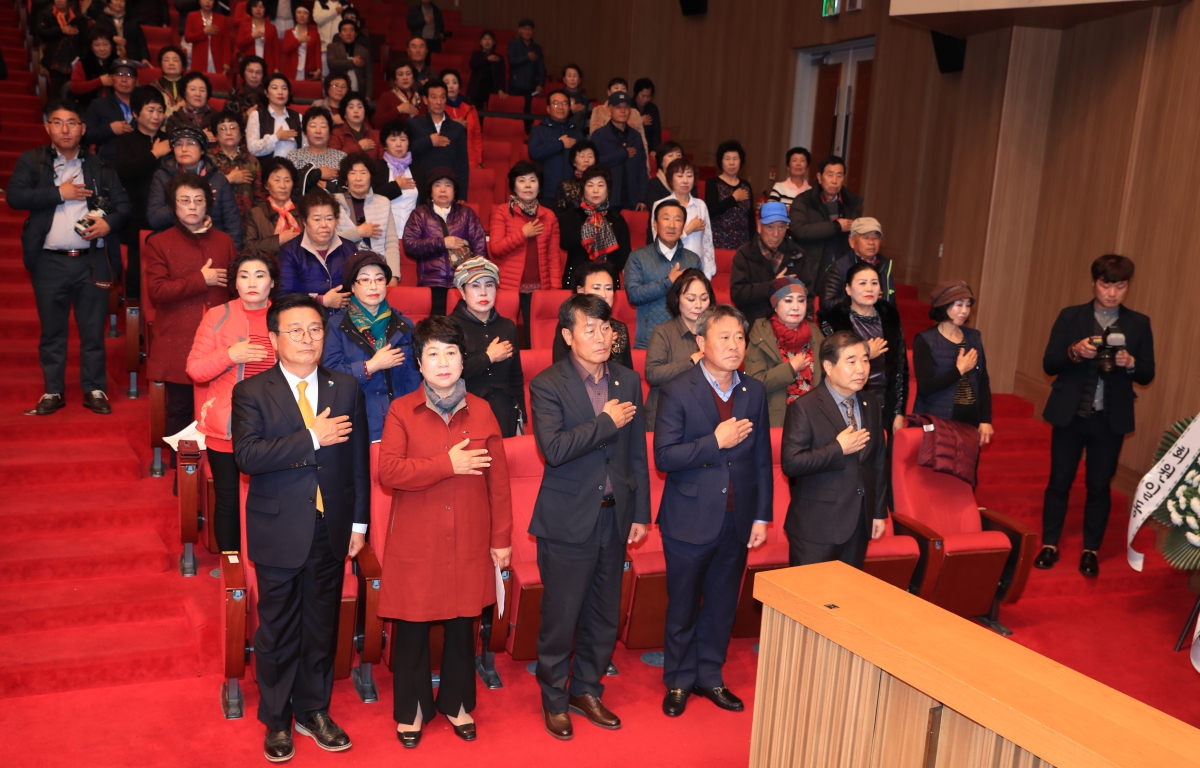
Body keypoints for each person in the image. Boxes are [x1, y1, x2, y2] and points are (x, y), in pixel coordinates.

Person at [231, 292, 369, 763]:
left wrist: (359, 523)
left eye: (314, 329)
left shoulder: (345, 386)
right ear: (273, 339)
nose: (307, 338)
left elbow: (357, 463)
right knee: (278, 630)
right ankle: (276, 720)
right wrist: (311, 437)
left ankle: (314, 711)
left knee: (320, 628)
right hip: (278, 531)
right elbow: (247, 456)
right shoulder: (251, 392)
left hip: (330, 531)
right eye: (296, 330)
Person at [377, 314, 512, 747]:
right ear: (418, 362)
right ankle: (411, 709)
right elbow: (389, 472)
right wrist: (446, 465)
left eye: (450, 352)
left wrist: (502, 539)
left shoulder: (485, 410)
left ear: (462, 358)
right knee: (412, 628)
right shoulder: (401, 410)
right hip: (417, 540)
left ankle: (456, 703)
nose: (442, 362)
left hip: (471, 537)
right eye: (432, 353)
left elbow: (500, 483)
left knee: (462, 626)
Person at [529, 293, 650, 741]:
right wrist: (605, 421)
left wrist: (641, 512)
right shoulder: (547, 384)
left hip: (615, 517)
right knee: (562, 616)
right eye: (590, 329)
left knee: (604, 615)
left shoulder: (627, 381)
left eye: (607, 328)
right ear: (567, 335)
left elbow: (636, 452)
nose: (602, 337)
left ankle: (586, 690)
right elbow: (554, 449)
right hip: (566, 521)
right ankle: (554, 698)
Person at [653, 303, 770, 718]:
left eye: (740, 337)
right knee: (683, 605)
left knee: (722, 604)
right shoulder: (678, 389)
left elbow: (760, 458)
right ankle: (679, 681)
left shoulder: (752, 391)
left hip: (737, 518)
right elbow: (664, 456)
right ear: (701, 343)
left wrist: (761, 516)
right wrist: (714, 442)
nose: (735, 345)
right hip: (688, 519)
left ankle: (710, 676)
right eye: (724, 337)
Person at [8, 98, 131, 416]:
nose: (65, 129)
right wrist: (58, 194)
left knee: (93, 330)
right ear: (48, 127)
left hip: (91, 260)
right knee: (52, 330)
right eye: (58, 122)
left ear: (83, 128)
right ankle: (53, 391)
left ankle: (94, 388)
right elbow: (15, 196)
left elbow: (123, 206)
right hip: (49, 261)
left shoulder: (100, 166)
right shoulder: (33, 160)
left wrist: (107, 224)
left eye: (72, 122)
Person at [1035, 255, 1155, 578]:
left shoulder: (1138, 323)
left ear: (1127, 286)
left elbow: (1147, 373)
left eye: (1120, 285)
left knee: (1099, 486)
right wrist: (1075, 352)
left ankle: (1091, 550)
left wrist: (1130, 361)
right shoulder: (1071, 316)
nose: (1112, 293)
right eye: (1106, 284)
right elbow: (1049, 363)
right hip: (1070, 414)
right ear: (1094, 283)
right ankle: (1049, 544)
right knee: (1059, 482)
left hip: (1109, 418)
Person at [187, 251, 279, 551]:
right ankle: (233, 571)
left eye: (260, 275)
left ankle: (266, 567)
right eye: (244, 275)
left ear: (272, 283)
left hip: (275, 426)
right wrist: (229, 355)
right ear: (235, 284)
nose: (252, 282)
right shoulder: (217, 315)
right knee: (227, 501)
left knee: (270, 500)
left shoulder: (286, 317)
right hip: (227, 425)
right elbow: (195, 369)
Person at [144, 173, 237, 459]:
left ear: (208, 204)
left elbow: (235, 288)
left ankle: (216, 467)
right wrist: (201, 279)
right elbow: (157, 291)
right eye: (185, 201)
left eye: (199, 200)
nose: (192, 206)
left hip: (220, 339)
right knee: (182, 408)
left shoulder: (224, 241)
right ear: (174, 206)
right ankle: (182, 471)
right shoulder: (159, 242)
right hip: (178, 337)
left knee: (222, 405)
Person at [781, 330, 888, 567]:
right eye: (851, 361)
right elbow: (791, 463)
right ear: (828, 366)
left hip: (859, 523)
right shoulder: (804, 408)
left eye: (865, 360)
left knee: (845, 601)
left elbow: (878, 462)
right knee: (809, 601)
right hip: (816, 528)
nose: (861, 368)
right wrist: (837, 449)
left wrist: (879, 511)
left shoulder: (871, 404)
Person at [322, 249, 421, 439]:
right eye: (365, 280)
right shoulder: (336, 326)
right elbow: (329, 376)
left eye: (379, 279)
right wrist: (370, 366)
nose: (373, 286)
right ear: (352, 285)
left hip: (399, 418)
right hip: (355, 420)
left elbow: (414, 379)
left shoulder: (404, 325)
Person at [818, 262, 907, 435]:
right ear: (848, 289)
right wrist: (866, 354)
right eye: (862, 283)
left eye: (874, 283)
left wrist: (898, 412)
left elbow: (901, 368)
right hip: (845, 403)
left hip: (883, 405)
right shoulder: (833, 319)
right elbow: (831, 366)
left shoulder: (890, 315)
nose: (869, 288)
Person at [449, 258, 526, 437]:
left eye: (489, 285)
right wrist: (488, 357)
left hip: (504, 411)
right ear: (462, 291)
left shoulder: (507, 326)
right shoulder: (450, 326)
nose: (483, 293)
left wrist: (520, 418)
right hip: (464, 412)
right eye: (475, 286)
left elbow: (516, 377)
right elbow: (450, 374)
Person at [912, 280, 993, 445]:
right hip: (937, 418)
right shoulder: (925, 340)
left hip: (970, 417)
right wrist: (958, 370)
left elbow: (983, 380)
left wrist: (985, 420)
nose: (964, 311)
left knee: (968, 469)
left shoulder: (973, 337)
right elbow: (926, 387)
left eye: (968, 305)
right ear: (943, 305)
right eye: (959, 304)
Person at [488, 161, 561, 340]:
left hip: (539, 288)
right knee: (504, 338)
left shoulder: (549, 216)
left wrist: (555, 291)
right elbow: (495, 249)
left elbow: (553, 257)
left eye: (532, 180)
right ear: (514, 185)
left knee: (536, 337)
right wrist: (523, 234)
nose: (527, 185)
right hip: (508, 286)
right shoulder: (502, 212)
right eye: (522, 180)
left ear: (539, 185)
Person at [402, 167, 486, 316]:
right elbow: (410, 245)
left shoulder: (466, 213)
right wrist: (442, 243)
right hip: (431, 283)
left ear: (454, 191)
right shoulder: (420, 214)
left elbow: (479, 245)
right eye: (437, 185)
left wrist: (475, 278)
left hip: (462, 284)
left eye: (448, 185)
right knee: (436, 333)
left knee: (463, 330)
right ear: (430, 191)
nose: (442, 189)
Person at [147, 125, 243, 249]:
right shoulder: (162, 176)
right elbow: (154, 219)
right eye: (178, 144)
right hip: (173, 246)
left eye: (191, 143)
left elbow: (233, 224)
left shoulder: (218, 180)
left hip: (211, 245)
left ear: (202, 150)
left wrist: (231, 257)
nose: (184, 148)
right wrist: (180, 203)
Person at [744, 278, 824, 428]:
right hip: (776, 420)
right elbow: (754, 384)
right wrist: (790, 369)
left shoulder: (815, 333)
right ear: (775, 305)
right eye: (788, 301)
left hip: (813, 420)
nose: (796, 307)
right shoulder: (762, 334)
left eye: (801, 301)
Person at [115, 86, 170, 298]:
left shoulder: (169, 139)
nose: (156, 116)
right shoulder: (127, 140)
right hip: (137, 216)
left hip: (167, 216)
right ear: (136, 113)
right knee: (138, 272)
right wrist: (154, 154)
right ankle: (135, 323)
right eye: (150, 110)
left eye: (160, 110)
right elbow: (123, 171)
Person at [625, 199, 701, 349]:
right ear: (655, 224)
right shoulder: (637, 257)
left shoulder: (693, 259)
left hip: (686, 341)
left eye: (677, 220)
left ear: (683, 226)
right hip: (649, 342)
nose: (672, 225)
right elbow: (633, 295)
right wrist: (669, 281)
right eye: (666, 218)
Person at [644, 269, 714, 431]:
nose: (698, 305)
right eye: (691, 298)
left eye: (704, 298)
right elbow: (653, 374)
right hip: (666, 417)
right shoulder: (663, 332)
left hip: (704, 415)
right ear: (677, 299)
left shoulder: (714, 334)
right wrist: (691, 362)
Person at [729, 202, 812, 322]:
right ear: (759, 226)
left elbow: (807, 294)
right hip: (754, 326)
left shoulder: (797, 254)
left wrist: (806, 323)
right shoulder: (744, 254)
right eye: (770, 227)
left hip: (789, 326)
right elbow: (737, 293)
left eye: (782, 227)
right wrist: (773, 286)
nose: (776, 234)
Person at [278, 187, 357, 306]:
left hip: (345, 318)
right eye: (317, 219)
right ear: (305, 222)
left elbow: (360, 287)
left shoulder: (349, 248)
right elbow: (283, 297)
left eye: (329, 218)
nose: (324, 224)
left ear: (336, 220)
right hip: (305, 319)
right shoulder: (290, 251)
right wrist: (321, 301)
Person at [557, 165, 631, 290]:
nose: (595, 190)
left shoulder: (617, 219)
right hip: (577, 281)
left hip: (608, 284)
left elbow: (624, 258)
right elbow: (565, 242)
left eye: (600, 185)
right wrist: (590, 230)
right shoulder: (571, 215)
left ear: (608, 191)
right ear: (583, 190)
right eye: (590, 185)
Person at [789, 155, 863, 278]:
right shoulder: (803, 201)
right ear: (819, 177)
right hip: (811, 267)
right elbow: (799, 231)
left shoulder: (851, 203)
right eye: (830, 175)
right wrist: (836, 226)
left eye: (839, 175)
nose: (834, 180)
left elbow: (856, 236)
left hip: (841, 267)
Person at [552, 263, 633, 371]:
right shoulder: (570, 325)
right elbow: (561, 369)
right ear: (580, 291)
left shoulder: (620, 328)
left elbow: (627, 373)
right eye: (596, 288)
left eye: (609, 288)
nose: (603, 294)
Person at [336, 152, 400, 281]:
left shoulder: (383, 202)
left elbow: (391, 242)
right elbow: (327, 239)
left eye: (363, 173)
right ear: (346, 178)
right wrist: (358, 232)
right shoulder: (333, 203)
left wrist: (393, 276)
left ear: (371, 176)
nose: (358, 178)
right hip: (341, 272)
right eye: (353, 173)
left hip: (376, 271)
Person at [652, 157, 715, 278]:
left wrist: (708, 273)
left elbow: (707, 242)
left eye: (689, 176)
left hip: (698, 270)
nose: (685, 180)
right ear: (670, 179)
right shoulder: (660, 206)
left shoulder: (700, 205)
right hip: (670, 271)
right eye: (680, 176)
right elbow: (659, 243)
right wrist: (688, 230)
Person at [409, 80, 470, 198]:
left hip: (447, 190)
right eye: (434, 97)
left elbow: (463, 164)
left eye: (442, 97)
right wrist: (429, 141)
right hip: (420, 189)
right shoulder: (414, 125)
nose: (439, 102)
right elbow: (407, 152)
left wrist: (462, 195)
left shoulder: (457, 128)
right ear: (425, 100)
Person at [818, 217, 895, 309]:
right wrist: (856, 300)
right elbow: (827, 304)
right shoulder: (838, 268)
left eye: (875, 237)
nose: (871, 242)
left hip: (878, 321)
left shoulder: (885, 265)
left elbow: (892, 305)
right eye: (865, 237)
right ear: (852, 241)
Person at [529, 90, 585, 208]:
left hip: (573, 194)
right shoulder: (538, 130)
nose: (560, 107)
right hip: (547, 193)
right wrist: (560, 144)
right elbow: (534, 153)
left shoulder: (576, 132)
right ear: (548, 109)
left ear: (569, 108)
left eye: (564, 104)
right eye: (556, 104)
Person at [593, 92, 647, 212]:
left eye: (626, 107)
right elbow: (594, 164)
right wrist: (621, 154)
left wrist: (642, 197)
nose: (623, 111)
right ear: (609, 110)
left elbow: (642, 168)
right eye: (618, 107)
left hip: (631, 200)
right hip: (606, 199)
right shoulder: (599, 135)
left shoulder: (636, 136)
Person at [208, 109, 264, 217]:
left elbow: (260, 197)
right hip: (216, 218)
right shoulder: (208, 159)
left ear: (241, 134)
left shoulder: (252, 161)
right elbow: (202, 190)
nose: (228, 132)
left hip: (247, 220)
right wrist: (229, 179)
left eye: (233, 127)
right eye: (223, 128)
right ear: (215, 135)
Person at [82, 57, 137, 164]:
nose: (124, 79)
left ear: (136, 81)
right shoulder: (98, 104)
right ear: (111, 78)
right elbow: (85, 135)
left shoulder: (144, 104)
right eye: (119, 74)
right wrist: (109, 129)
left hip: (139, 161)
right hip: (107, 164)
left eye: (129, 75)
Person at [376, 120, 422, 243]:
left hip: (412, 238)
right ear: (385, 144)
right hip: (383, 236)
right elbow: (371, 198)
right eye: (393, 139)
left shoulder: (418, 171)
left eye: (403, 139)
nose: (398, 144)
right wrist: (396, 186)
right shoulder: (376, 169)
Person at [245, 157, 303, 254]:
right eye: (277, 180)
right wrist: (279, 240)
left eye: (287, 180)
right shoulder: (255, 214)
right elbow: (248, 247)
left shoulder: (303, 212)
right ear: (266, 185)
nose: (283, 186)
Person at [706, 140, 755, 251]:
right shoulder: (713, 183)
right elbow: (711, 210)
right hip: (719, 243)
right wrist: (734, 198)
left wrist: (753, 243)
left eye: (735, 158)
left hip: (743, 244)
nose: (732, 163)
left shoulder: (746, 186)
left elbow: (750, 217)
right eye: (727, 159)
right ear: (721, 161)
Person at [589, 78, 650, 162]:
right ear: (608, 92)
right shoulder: (599, 112)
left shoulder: (634, 114)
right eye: (616, 88)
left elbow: (643, 142)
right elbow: (595, 132)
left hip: (631, 159)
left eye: (623, 88)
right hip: (608, 153)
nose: (623, 111)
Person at [287, 107, 347, 189]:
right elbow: (290, 184)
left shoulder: (342, 158)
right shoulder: (294, 156)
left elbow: (347, 187)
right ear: (305, 131)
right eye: (313, 126)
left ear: (330, 132)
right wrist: (319, 174)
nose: (318, 131)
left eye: (323, 126)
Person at [247, 74, 305, 159]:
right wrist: (276, 137)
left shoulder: (298, 117)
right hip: (267, 169)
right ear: (266, 93)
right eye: (275, 88)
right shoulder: (256, 116)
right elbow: (252, 148)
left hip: (293, 169)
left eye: (284, 88)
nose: (280, 92)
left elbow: (306, 147)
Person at [37, 0, 84, 101]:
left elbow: (84, 38)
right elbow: (41, 32)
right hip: (54, 57)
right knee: (56, 90)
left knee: (73, 90)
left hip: (73, 57)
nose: (59, 1)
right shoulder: (46, 14)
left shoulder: (78, 17)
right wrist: (61, 30)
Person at [440, 70, 482, 170]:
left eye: (454, 82)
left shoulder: (470, 107)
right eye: (447, 83)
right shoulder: (437, 107)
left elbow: (477, 136)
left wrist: (479, 161)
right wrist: (452, 125)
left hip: (470, 160)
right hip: (446, 161)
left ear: (459, 87)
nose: (451, 86)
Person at [69, 27, 116, 108]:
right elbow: (75, 87)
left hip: (115, 107)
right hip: (88, 107)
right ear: (91, 46)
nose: (102, 49)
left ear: (111, 45)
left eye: (106, 44)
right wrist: (99, 81)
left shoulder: (119, 62)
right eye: (97, 45)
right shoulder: (83, 63)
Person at [373, 61, 424, 130]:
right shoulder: (387, 96)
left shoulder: (419, 98)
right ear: (395, 80)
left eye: (408, 74)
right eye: (400, 74)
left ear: (413, 78)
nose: (405, 77)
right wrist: (399, 109)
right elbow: (377, 122)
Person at [326, 19, 371, 97]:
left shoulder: (364, 51)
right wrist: (352, 62)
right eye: (345, 30)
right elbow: (332, 63)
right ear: (340, 34)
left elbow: (369, 75)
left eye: (351, 30)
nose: (348, 33)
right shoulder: (332, 47)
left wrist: (368, 95)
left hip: (358, 92)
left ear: (355, 34)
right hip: (338, 91)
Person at [330, 92, 380, 160]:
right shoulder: (336, 134)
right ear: (344, 114)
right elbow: (333, 159)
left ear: (365, 112)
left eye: (359, 107)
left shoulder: (376, 135)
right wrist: (358, 147)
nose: (356, 111)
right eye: (351, 107)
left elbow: (382, 163)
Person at [640, 140, 682, 219]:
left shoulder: (688, 183)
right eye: (670, 155)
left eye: (679, 155)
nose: (676, 158)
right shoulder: (652, 185)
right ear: (661, 161)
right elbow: (657, 211)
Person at [185, 0, 229, 75]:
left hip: (217, 60)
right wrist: (204, 32)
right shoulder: (192, 16)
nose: (207, 2)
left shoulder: (221, 18)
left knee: (216, 83)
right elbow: (188, 37)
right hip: (199, 59)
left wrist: (226, 62)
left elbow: (226, 42)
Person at [165, 71, 216, 136]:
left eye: (202, 90)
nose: (198, 94)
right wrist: (201, 136)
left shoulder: (216, 117)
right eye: (193, 89)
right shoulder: (175, 119)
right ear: (184, 93)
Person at [235, 0, 279, 73]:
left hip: (268, 64)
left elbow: (276, 49)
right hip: (250, 64)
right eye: (255, 6)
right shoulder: (244, 25)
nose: (258, 9)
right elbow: (239, 44)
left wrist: (277, 67)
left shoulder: (272, 28)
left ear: (265, 9)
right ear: (250, 8)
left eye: (261, 7)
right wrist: (251, 36)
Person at [281, 4, 321, 82]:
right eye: (299, 13)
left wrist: (319, 69)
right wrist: (298, 40)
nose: (302, 15)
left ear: (309, 17)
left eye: (305, 13)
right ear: (295, 15)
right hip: (292, 69)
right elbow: (286, 50)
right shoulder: (289, 32)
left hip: (308, 69)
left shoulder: (314, 34)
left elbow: (317, 54)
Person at [507, 18, 544, 102]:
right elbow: (511, 61)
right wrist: (527, 57)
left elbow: (541, 67)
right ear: (520, 31)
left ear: (533, 31)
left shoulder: (537, 47)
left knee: (528, 112)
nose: (527, 32)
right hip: (515, 85)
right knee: (515, 110)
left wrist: (540, 84)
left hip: (531, 86)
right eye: (524, 29)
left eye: (530, 29)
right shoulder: (513, 44)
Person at [467, 30, 506, 108]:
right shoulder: (476, 54)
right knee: (476, 113)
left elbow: (501, 75)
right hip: (477, 89)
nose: (487, 41)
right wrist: (487, 59)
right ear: (480, 42)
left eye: (489, 39)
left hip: (492, 88)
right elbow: (473, 65)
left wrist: (500, 89)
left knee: (491, 114)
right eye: (484, 39)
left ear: (494, 42)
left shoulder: (499, 57)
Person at [554, 139, 596, 212]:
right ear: (574, 162)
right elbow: (560, 214)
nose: (586, 160)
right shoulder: (564, 186)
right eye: (582, 156)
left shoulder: (601, 184)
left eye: (590, 156)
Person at [152, 45, 187, 116]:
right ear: (161, 65)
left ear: (183, 66)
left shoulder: (191, 86)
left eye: (175, 60)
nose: (171, 63)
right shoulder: (153, 88)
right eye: (166, 60)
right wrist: (177, 107)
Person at [632, 78, 661, 158]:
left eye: (648, 96)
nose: (645, 99)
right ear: (636, 93)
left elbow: (656, 132)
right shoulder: (628, 106)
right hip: (631, 145)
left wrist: (654, 150)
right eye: (643, 96)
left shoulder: (653, 108)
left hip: (648, 146)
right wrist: (640, 121)